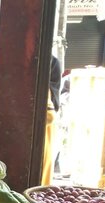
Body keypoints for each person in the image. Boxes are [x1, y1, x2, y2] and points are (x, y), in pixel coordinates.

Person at [41, 55, 62, 185]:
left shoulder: (50, 62)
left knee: (42, 169)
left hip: (45, 124)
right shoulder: (51, 61)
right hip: (45, 120)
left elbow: (50, 111)